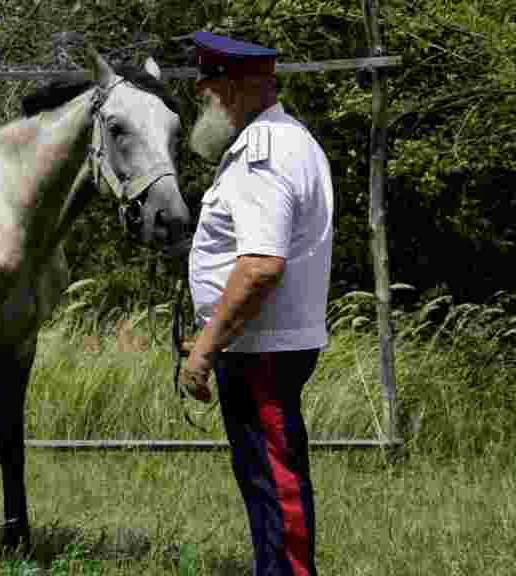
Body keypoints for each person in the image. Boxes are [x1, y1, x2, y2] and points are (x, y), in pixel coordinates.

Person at [179, 31, 334, 576]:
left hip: (261, 348)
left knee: (277, 480)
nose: (203, 94)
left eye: (210, 83)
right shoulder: (287, 140)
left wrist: (203, 349)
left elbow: (261, 267)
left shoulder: (263, 154)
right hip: (257, 341)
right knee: (267, 477)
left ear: (241, 86)